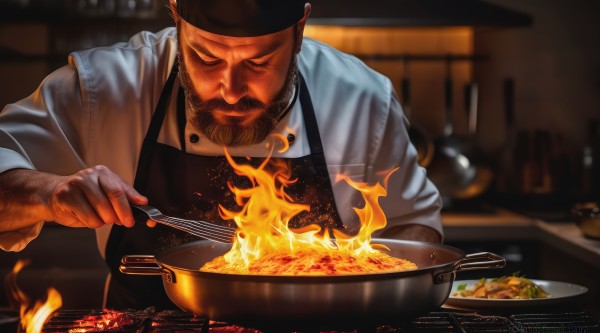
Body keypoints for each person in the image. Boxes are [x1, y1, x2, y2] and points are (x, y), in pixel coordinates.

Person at [0, 0, 443, 309]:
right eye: (206, 59)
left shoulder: (362, 97)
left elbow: (415, 229)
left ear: (301, 28)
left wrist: (365, 282)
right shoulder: (107, 85)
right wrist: (49, 192)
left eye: (258, 63)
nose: (230, 90)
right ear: (175, 16)